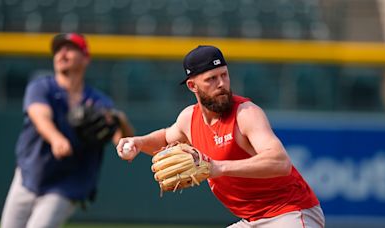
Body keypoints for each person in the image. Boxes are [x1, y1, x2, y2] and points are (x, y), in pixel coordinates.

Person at [116, 45, 324, 227]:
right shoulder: (189, 119)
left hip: (290, 213)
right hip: (251, 221)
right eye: (211, 79)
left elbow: (280, 162)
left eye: (224, 75)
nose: (221, 83)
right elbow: (165, 139)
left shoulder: (246, 113)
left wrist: (218, 167)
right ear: (192, 86)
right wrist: (138, 142)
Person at [0, 33, 134, 228]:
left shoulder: (98, 102)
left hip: (68, 184)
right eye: (58, 50)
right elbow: (39, 116)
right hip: (30, 174)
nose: (62, 53)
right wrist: (56, 139)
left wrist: (121, 121)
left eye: (70, 49)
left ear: (85, 58)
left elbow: (123, 143)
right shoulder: (41, 87)